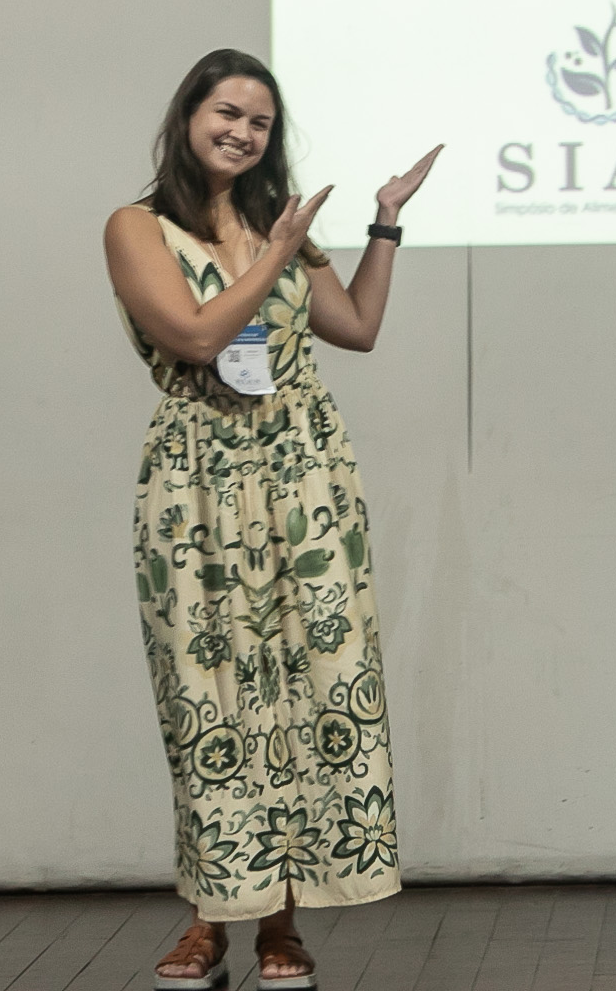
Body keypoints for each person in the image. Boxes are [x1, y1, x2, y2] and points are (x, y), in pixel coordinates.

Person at [103, 49, 439, 990]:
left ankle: (282, 924)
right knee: (209, 695)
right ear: (188, 117)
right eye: (227, 112)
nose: (243, 132)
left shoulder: (277, 225)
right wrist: (278, 251)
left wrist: (384, 220)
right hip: (198, 479)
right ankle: (211, 918)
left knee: (310, 685)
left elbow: (357, 328)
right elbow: (198, 335)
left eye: (260, 122)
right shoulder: (136, 227)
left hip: (303, 471)